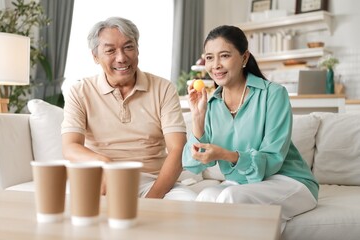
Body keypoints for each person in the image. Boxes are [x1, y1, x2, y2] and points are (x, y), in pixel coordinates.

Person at [182, 25, 319, 230]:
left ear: (244, 58)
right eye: (209, 58)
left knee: (229, 196)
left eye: (224, 55)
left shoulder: (273, 94)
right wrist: (198, 118)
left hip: (289, 181)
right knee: (205, 196)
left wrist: (228, 155)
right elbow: (192, 165)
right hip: (244, 184)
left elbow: (272, 159)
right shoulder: (212, 104)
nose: (216, 65)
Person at [61, 17, 196, 201]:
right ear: (95, 56)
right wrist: (104, 163)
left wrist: (153, 197)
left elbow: (178, 148)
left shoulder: (163, 88)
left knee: (188, 202)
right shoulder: (80, 91)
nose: (121, 58)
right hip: (102, 179)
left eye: (128, 47)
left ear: (137, 49)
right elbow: (70, 147)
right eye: (110, 50)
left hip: (153, 181)